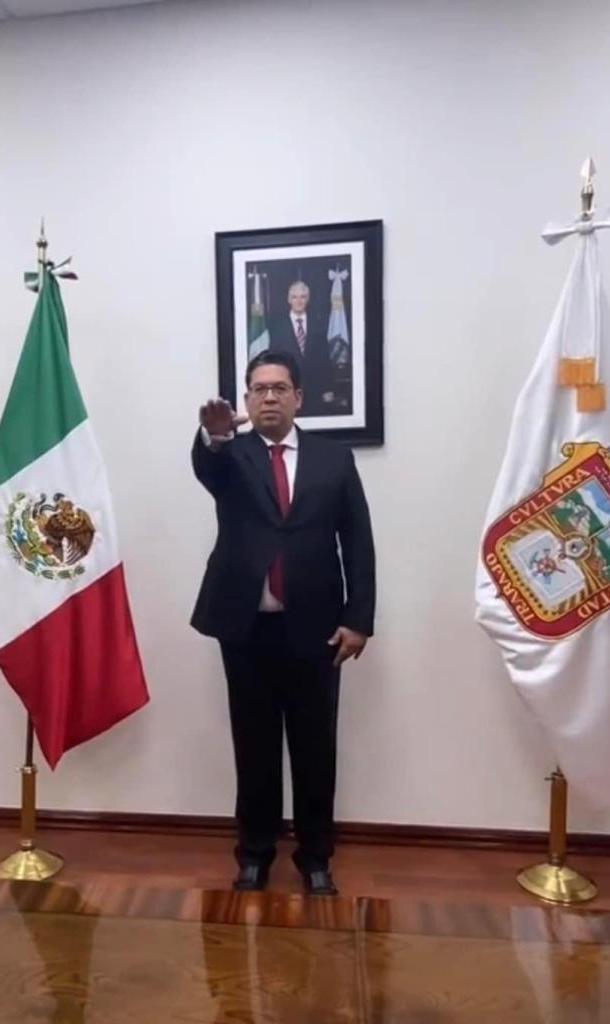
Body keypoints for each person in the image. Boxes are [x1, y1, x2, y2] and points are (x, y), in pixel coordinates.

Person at [192, 351, 375, 895]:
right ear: (246, 400)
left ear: (299, 397)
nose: (268, 397)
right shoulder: (231, 455)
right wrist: (214, 437)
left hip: (317, 629)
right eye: (258, 389)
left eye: (279, 388)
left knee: (316, 748)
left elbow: (357, 541)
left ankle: (315, 857)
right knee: (254, 747)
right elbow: (208, 469)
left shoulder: (333, 459)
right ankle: (254, 854)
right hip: (246, 627)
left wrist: (358, 619)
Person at [267, 280, 334, 416]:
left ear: (307, 299)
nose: (299, 301)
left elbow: (324, 358)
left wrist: (328, 388)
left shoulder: (318, 323)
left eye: (303, 297)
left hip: (314, 391)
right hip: (287, 390)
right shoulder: (277, 326)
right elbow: (274, 360)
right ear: (289, 300)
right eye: (295, 297)